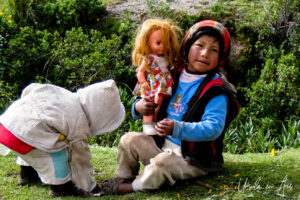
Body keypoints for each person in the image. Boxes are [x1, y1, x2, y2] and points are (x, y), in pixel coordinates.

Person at [100, 20, 240, 195]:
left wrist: (177, 128)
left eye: (214, 50)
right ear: (187, 47)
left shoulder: (216, 89)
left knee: (162, 164)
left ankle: (132, 186)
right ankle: (123, 177)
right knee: (129, 139)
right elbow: (145, 94)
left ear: (221, 58)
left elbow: (213, 128)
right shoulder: (171, 74)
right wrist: (139, 107)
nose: (204, 53)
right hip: (160, 146)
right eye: (200, 45)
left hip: (193, 158)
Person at [0, 79, 125, 197]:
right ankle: (60, 187)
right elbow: (80, 160)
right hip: (23, 136)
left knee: (37, 138)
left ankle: (27, 174)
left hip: (6, 126)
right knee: (58, 150)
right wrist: (91, 187)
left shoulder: (64, 95)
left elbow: (31, 88)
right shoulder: (78, 122)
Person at [132, 18, 181, 135]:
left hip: (164, 83)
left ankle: (154, 117)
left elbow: (172, 70)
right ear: (147, 43)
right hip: (154, 83)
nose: (163, 47)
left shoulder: (170, 60)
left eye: (166, 43)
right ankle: (148, 125)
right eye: (158, 43)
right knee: (150, 103)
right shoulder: (149, 59)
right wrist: (143, 82)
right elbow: (140, 72)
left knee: (157, 100)